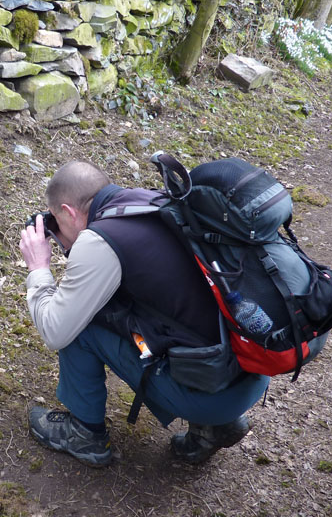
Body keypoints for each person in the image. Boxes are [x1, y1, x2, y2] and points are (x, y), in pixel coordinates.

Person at [18, 160, 270, 467]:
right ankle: (217, 426)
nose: (59, 234)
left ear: (69, 212)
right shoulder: (150, 201)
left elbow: (55, 330)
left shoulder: (100, 241)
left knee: (79, 323)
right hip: (250, 370)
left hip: (212, 394)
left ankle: (85, 433)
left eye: (57, 221)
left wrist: (39, 268)